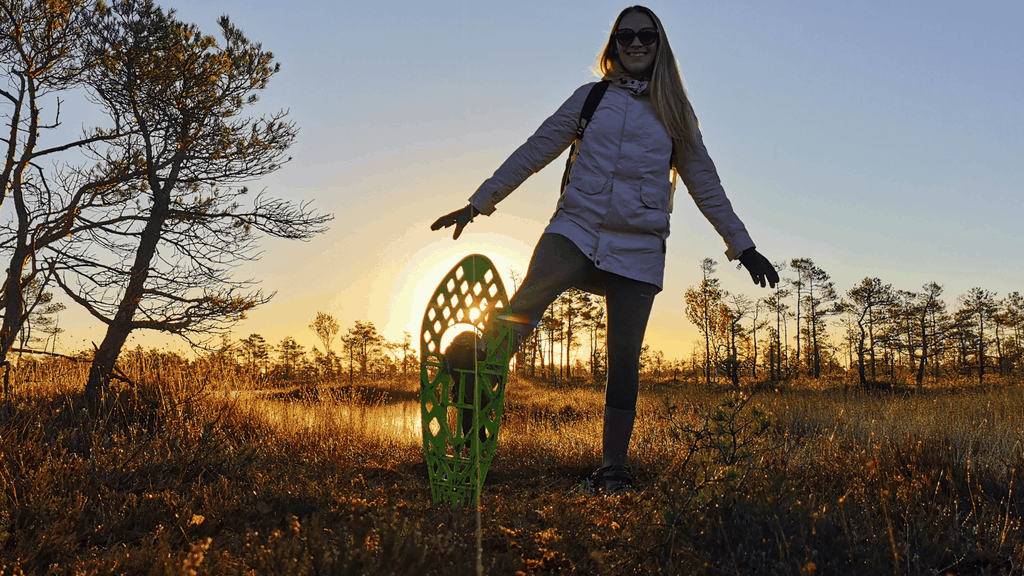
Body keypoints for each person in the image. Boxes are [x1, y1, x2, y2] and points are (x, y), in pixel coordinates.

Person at [430, 5, 779, 494]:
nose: (635, 43)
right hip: (577, 228)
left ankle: (613, 467)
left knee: (624, 358)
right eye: (625, 35)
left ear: (660, 45)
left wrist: (743, 246)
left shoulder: (676, 112)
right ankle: (476, 366)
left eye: (646, 35)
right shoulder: (591, 98)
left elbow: (705, 183)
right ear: (612, 44)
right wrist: (478, 203)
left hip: (638, 248)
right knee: (526, 304)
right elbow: (536, 149)